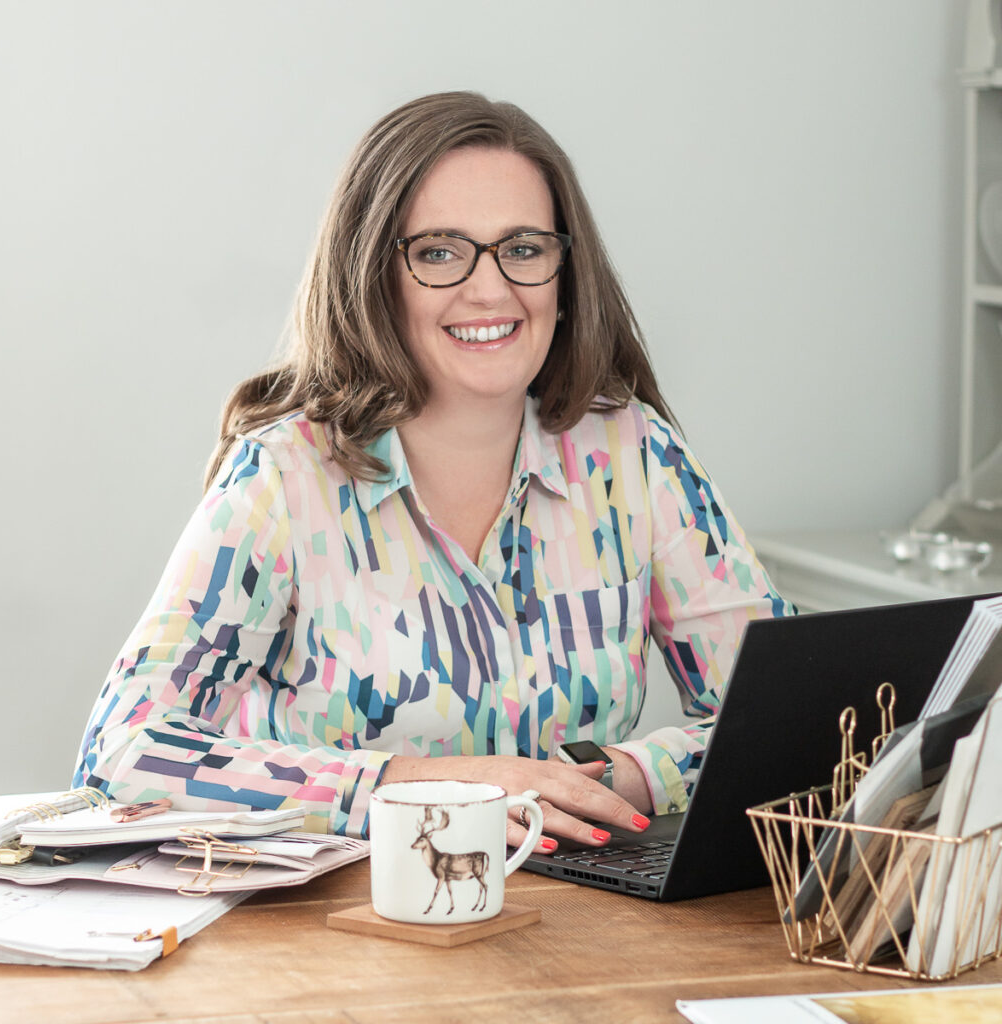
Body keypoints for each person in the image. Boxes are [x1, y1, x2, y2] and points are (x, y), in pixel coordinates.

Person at [73, 91, 793, 853]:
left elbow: (795, 717)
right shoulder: (282, 479)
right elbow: (123, 753)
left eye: (523, 248)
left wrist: (619, 775)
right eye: (440, 252)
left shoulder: (633, 456)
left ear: (563, 269)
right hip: (344, 925)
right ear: (373, 272)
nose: (490, 290)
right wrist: (432, 789)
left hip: (576, 915)